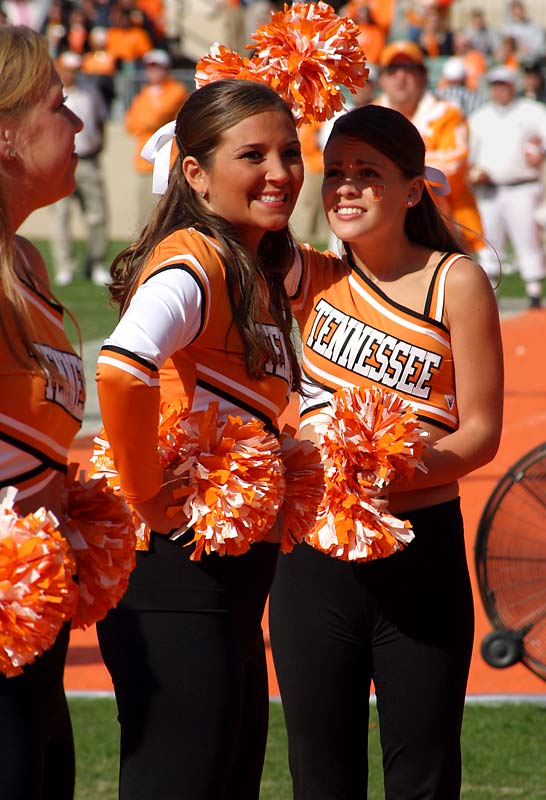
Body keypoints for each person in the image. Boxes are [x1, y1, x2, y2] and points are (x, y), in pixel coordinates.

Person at [269, 103, 504, 799]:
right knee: (320, 776)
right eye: (335, 171)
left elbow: (481, 432)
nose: (345, 186)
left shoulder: (454, 281)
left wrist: (393, 469)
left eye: (367, 173)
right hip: (313, 560)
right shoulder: (305, 275)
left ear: (412, 188)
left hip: (418, 551)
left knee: (423, 777)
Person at [95, 77, 304, 800]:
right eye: (252, 155)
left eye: (290, 151)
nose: (280, 173)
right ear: (194, 173)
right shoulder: (196, 258)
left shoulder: (255, 266)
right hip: (174, 578)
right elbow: (123, 367)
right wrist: (147, 492)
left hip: (228, 582)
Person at [0, 24, 85, 800]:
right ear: (5, 132)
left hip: (32, 610)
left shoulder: (26, 261)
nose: (80, 121)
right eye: (60, 106)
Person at [376, 39, 485, 258]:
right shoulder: (369, 117)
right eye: (393, 69)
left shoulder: (447, 113)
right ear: (382, 78)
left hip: (445, 226)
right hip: (383, 228)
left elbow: (452, 167)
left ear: (424, 75)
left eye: (409, 68)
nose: (401, 76)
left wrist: (388, 171)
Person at [468, 65, 546, 308]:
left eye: (504, 85)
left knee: (527, 239)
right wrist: (473, 174)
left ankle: (534, 293)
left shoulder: (532, 111)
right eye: (495, 85)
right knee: (489, 242)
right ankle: (490, 295)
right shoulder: (479, 117)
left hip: (522, 185)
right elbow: (469, 155)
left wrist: (540, 153)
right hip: (489, 188)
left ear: (514, 86)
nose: (499, 90)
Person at [50, 50, 110, 287]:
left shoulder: (90, 91)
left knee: (97, 215)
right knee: (61, 216)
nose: (70, 74)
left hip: (86, 160)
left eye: (74, 70)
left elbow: (101, 120)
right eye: (67, 69)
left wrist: (100, 145)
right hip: (60, 163)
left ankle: (95, 264)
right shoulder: (50, 92)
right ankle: (64, 266)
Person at [124, 47, 189, 226]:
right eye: (150, 67)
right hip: (145, 162)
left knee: (168, 215)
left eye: (157, 67)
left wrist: (145, 120)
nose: (153, 71)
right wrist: (147, 121)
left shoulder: (176, 90)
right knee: (144, 217)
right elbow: (130, 124)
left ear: (166, 68)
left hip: (169, 161)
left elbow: (157, 117)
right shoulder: (144, 94)